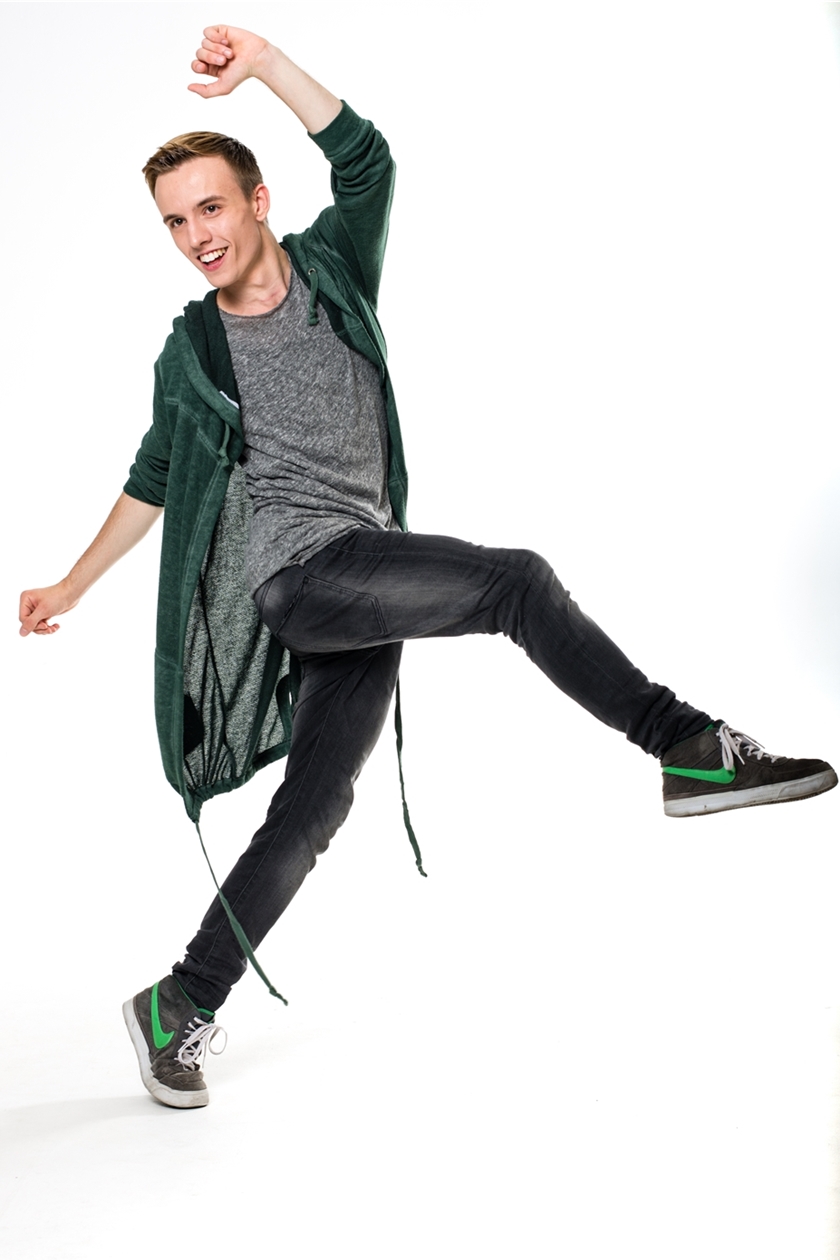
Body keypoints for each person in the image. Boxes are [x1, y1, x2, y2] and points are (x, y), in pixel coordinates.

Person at [18, 25, 837, 1110]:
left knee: (315, 807)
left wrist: (265, 66)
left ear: (258, 201)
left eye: (210, 209)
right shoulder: (193, 349)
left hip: (361, 573)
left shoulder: (331, 268)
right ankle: (685, 746)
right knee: (517, 581)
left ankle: (181, 1001)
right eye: (174, 222)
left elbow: (368, 162)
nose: (195, 237)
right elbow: (156, 475)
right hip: (301, 577)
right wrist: (72, 585)